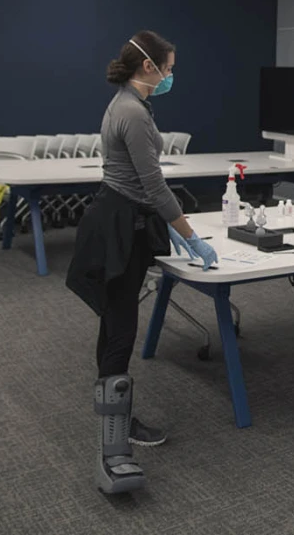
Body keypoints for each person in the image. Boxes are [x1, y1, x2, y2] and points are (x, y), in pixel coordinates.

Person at [65, 30, 218, 495]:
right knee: (122, 328)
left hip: (122, 215)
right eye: (169, 67)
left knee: (114, 323)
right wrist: (190, 233)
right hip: (119, 228)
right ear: (148, 67)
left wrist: (164, 221)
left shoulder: (128, 103)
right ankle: (117, 435)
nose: (172, 75)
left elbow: (137, 183)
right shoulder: (132, 111)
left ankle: (115, 411)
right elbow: (154, 186)